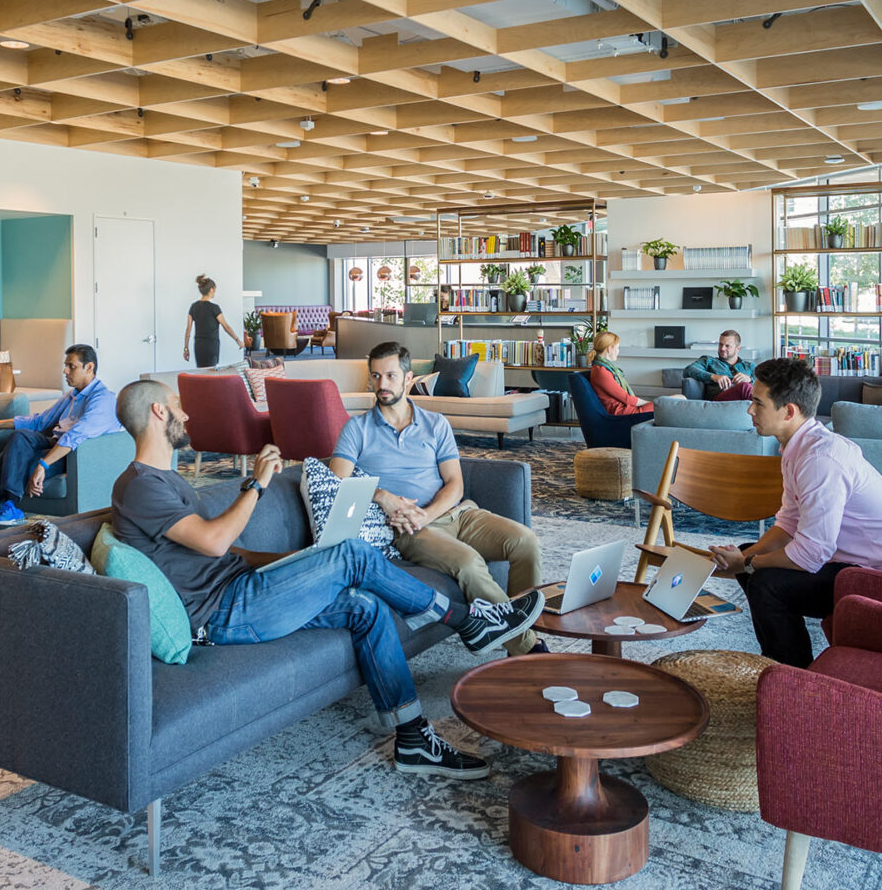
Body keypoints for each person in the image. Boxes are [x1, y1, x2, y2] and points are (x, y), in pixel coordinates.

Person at [110, 378, 543, 778]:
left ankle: (413, 740)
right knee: (352, 552)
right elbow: (215, 542)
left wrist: (297, 562)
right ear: (157, 412)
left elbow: (228, 554)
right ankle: (469, 621)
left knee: (366, 607)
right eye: (176, 406)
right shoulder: (140, 486)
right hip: (219, 613)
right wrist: (255, 484)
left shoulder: (167, 480)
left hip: (240, 590)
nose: (185, 414)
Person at [709, 357, 882, 668]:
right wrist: (741, 559)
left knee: (764, 581)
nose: (750, 410)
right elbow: (788, 523)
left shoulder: (820, 459)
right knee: (752, 559)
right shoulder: (797, 447)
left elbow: (811, 553)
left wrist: (747, 564)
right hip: (856, 566)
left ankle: (793, 676)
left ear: (789, 411)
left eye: (758, 404)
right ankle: (784, 662)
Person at [331, 341, 545, 654]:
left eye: (390, 376)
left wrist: (428, 513)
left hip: (455, 514)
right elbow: (337, 480)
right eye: (375, 376)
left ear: (408, 379)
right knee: (469, 564)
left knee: (526, 541)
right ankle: (528, 649)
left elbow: (455, 484)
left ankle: (517, 633)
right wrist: (382, 496)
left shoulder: (435, 423)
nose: (382, 384)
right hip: (409, 530)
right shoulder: (356, 429)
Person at [0, 344, 122, 527]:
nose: (65, 371)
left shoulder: (102, 399)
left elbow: (74, 436)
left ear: (89, 367)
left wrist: (42, 465)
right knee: (20, 436)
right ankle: (8, 510)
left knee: (5, 460)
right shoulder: (72, 395)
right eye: (65, 365)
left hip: (74, 455)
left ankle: (0, 514)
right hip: (54, 442)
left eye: (72, 366)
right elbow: (40, 421)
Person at [587, 330, 653, 417]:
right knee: (667, 404)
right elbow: (627, 399)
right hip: (621, 412)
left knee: (671, 401)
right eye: (617, 348)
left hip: (625, 408)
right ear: (609, 348)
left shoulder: (604, 368)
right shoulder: (601, 371)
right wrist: (651, 403)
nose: (618, 351)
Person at [183, 275, 242, 369]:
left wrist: (186, 349)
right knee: (211, 374)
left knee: (201, 372)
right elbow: (226, 326)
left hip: (199, 346)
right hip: (212, 346)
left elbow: (188, 329)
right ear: (211, 289)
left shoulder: (193, 307)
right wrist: (238, 340)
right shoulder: (214, 308)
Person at [683, 330, 756, 401]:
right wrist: (713, 377)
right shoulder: (708, 361)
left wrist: (750, 380)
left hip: (744, 403)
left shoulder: (749, 366)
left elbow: (764, 384)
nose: (722, 348)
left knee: (747, 387)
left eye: (727, 346)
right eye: (720, 344)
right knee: (744, 386)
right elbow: (688, 370)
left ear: (738, 348)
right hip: (720, 399)